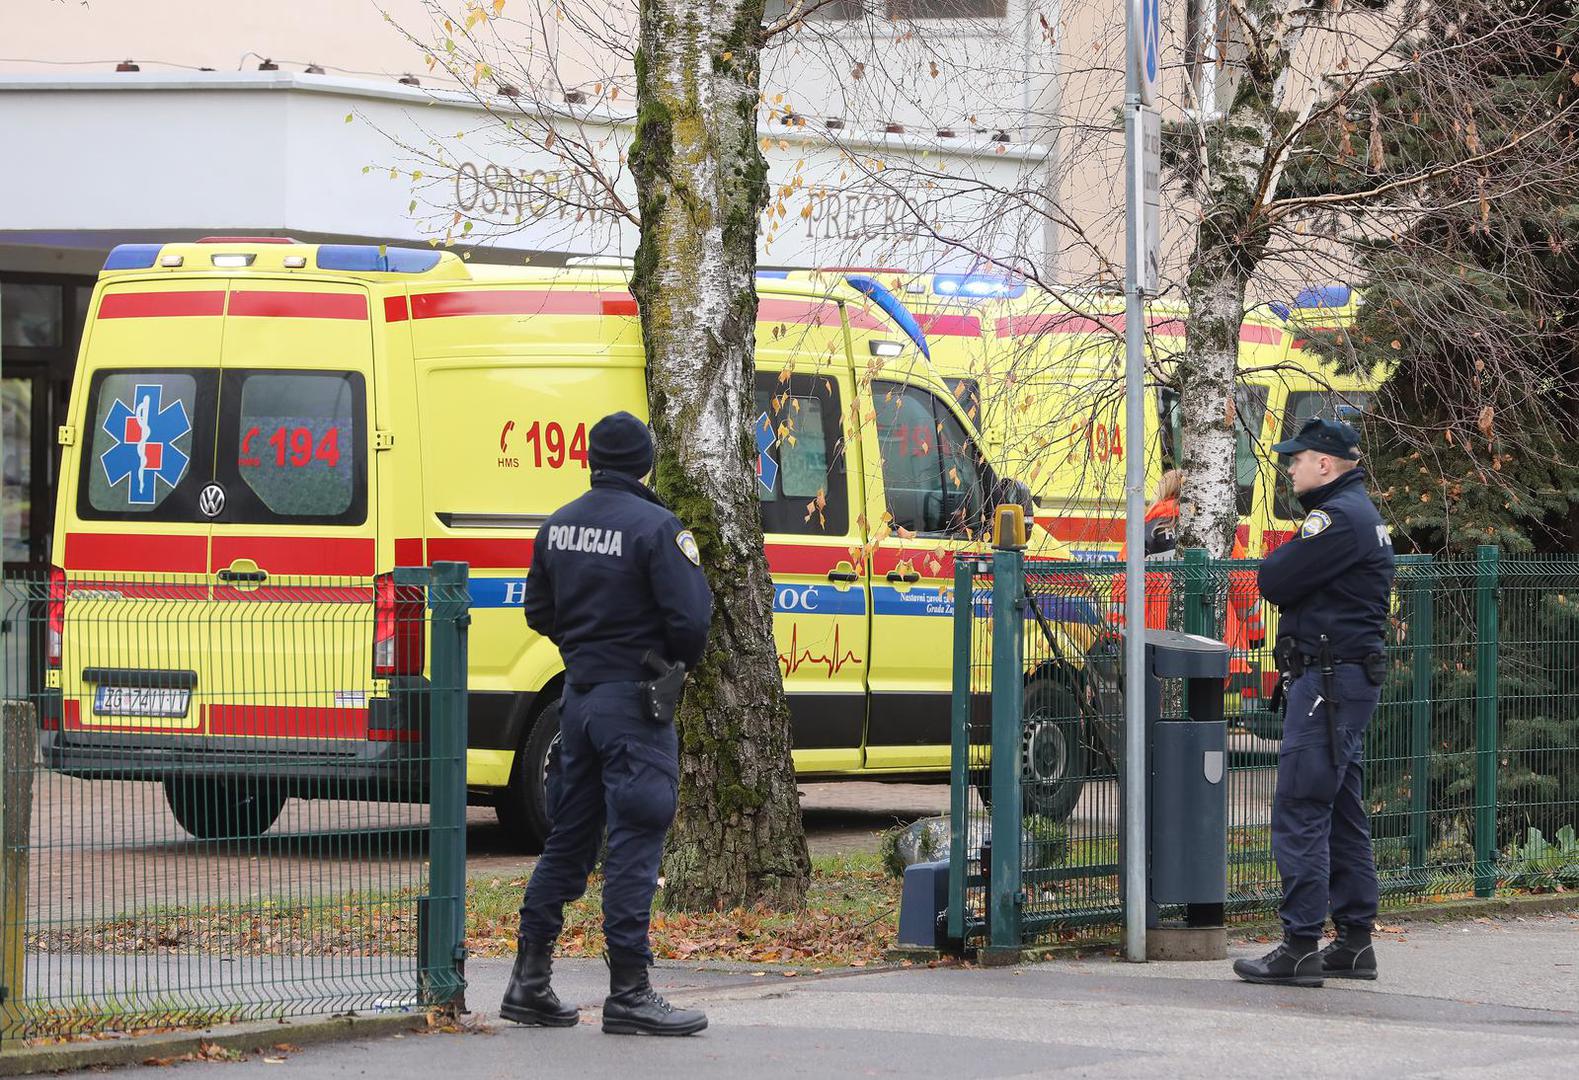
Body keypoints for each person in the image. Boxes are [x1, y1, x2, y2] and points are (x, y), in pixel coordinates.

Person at [502, 410, 714, 1035]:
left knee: (569, 837)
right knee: (635, 839)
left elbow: (538, 611)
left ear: (591, 460)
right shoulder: (658, 528)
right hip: (636, 704)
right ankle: (629, 991)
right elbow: (691, 623)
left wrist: (585, 648)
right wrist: (659, 660)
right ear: (645, 463)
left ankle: (529, 979)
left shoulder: (558, 526)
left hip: (578, 700)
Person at [1233, 417, 1395, 988]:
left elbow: (1274, 579)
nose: (1290, 468)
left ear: (1325, 464)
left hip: (1330, 682)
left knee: (1301, 806)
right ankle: (1354, 942)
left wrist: (1281, 565)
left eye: (1297, 459)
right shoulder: (1358, 514)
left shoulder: (1338, 518)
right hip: (1343, 678)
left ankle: (1300, 946)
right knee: (1342, 810)